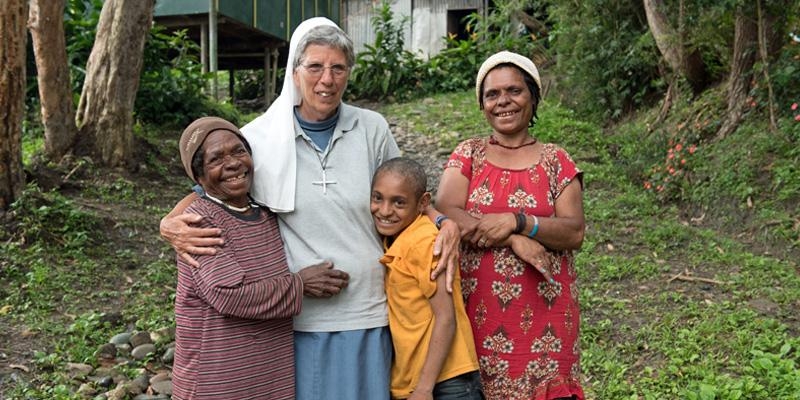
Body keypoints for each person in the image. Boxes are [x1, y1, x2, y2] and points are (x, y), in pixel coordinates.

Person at [160, 18, 461, 400]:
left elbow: (404, 192)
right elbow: (211, 187)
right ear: (295, 71)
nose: (327, 79)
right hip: (297, 318)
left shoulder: (371, 128)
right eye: (315, 67)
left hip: (369, 306)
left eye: (338, 68)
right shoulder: (260, 137)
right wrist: (167, 223)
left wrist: (443, 221)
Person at [436, 51, 586, 400]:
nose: (503, 101)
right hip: (479, 313)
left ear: (533, 96)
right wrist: (514, 240)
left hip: (548, 313)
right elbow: (445, 210)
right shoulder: (468, 154)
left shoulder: (556, 160)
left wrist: (519, 221)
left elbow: (574, 231)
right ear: (481, 103)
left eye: (514, 91)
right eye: (492, 94)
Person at [171, 117, 349, 399]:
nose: (232, 163)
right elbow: (228, 294)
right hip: (216, 380)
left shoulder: (264, 213)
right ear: (199, 177)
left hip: (268, 374)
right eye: (216, 158)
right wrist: (300, 284)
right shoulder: (198, 222)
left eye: (239, 151)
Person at [371, 157, 484, 400]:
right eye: (377, 198)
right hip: (418, 378)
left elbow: (446, 318)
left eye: (399, 202)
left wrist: (424, 388)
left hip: (445, 382)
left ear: (423, 202)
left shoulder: (424, 242)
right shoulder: (398, 237)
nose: (385, 210)